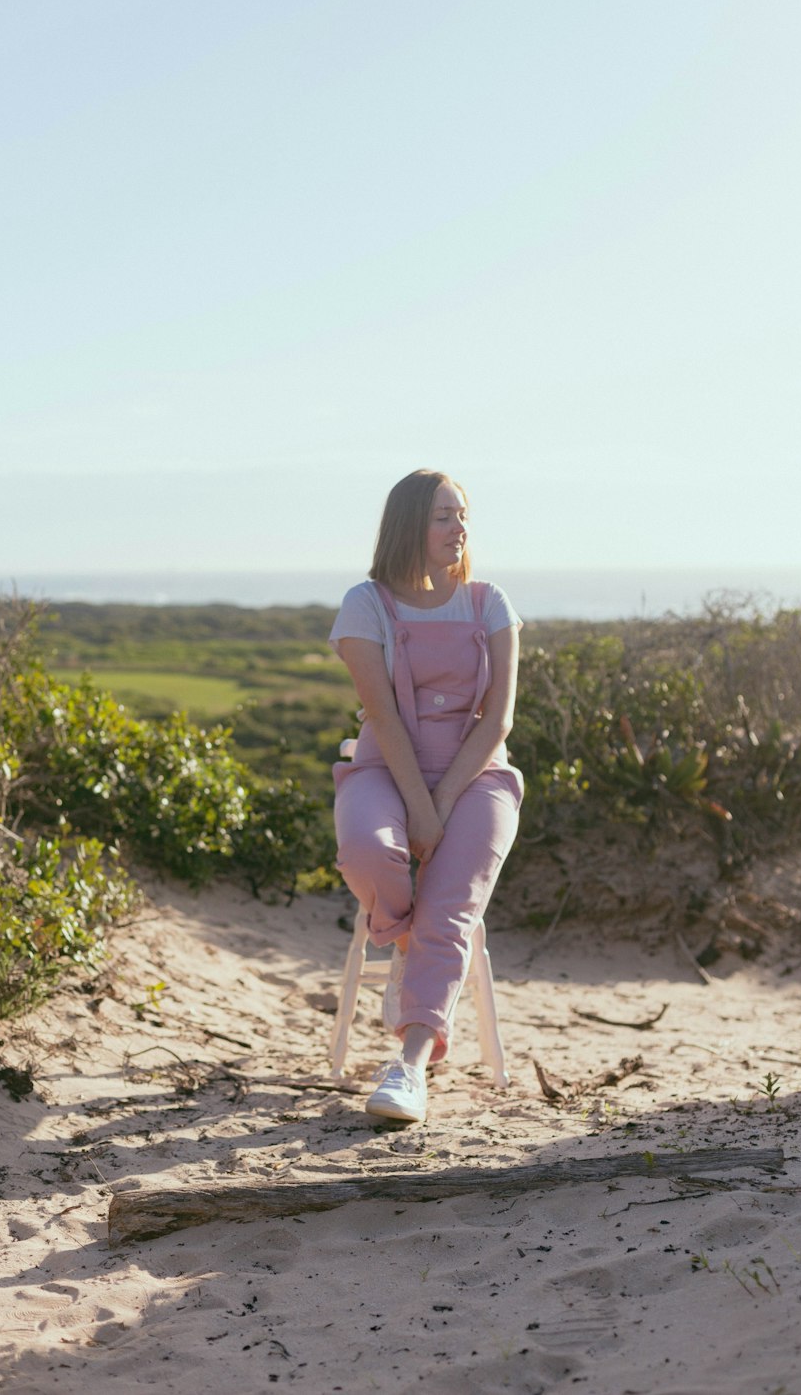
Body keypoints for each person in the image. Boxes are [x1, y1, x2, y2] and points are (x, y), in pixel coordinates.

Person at [329, 469, 523, 1125]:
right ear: (410, 524)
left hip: (477, 776)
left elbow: (497, 723)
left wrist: (443, 804)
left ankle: (409, 1068)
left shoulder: (490, 603)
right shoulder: (366, 605)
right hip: (387, 768)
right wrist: (419, 804)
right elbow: (382, 718)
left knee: (450, 907)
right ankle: (406, 946)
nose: (458, 527)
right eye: (443, 515)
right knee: (367, 850)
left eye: (462, 514)